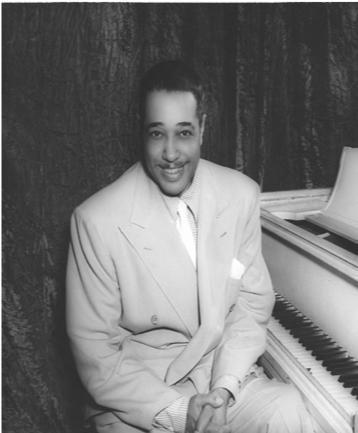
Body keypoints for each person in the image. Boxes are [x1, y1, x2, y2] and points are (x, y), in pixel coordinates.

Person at [66, 60, 313, 433]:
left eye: (183, 133)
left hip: (219, 378)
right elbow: (97, 354)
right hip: (141, 398)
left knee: (287, 410)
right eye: (156, 134)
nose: (170, 153)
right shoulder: (96, 220)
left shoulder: (241, 194)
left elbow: (251, 305)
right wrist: (181, 412)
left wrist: (225, 388)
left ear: (202, 129)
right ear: (141, 133)